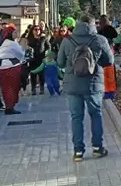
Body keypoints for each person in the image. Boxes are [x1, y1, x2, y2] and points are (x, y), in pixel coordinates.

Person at [57, 15, 114, 162]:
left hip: (73, 85)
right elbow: (109, 61)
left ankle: (78, 151)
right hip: (93, 84)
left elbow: (60, 63)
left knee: (76, 117)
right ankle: (97, 148)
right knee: (96, 115)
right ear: (93, 24)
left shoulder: (67, 41)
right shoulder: (100, 40)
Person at [0, 24, 24, 115]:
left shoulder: (5, 43)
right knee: (12, 87)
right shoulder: (12, 43)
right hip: (11, 67)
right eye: (15, 32)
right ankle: (10, 107)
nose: (16, 34)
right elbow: (21, 54)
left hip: (3, 67)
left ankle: (9, 106)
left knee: (7, 88)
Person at [27, 25, 51, 95]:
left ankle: (41, 87)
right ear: (32, 31)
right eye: (35, 29)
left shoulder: (43, 38)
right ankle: (33, 88)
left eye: (38, 29)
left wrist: (47, 54)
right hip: (32, 59)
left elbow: (48, 46)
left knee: (41, 74)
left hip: (41, 58)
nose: (37, 31)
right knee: (33, 74)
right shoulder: (29, 39)